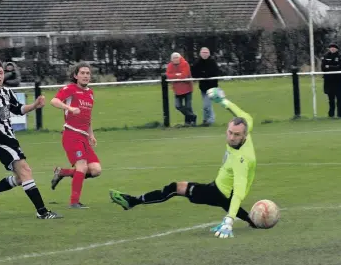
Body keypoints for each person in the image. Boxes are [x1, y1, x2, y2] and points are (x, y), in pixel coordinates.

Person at [110, 88, 257, 238]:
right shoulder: (247, 125)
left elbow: (238, 192)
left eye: (236, 135)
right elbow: (241, 114)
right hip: (220, 188)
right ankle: (254, 221)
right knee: (228, 204)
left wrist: (229, 220)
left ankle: (133, 201)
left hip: (219, 193)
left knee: (175, 188)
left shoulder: (242, 160)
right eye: (230, 132)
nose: (232, 137)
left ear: (245, 135)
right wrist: (222, 101)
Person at [0, 59, 62, 219]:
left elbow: (18, 109)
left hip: (11, 139)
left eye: (0, 73)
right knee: (26, 171)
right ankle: (42, 212)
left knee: (21, 178)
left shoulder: (7, 92)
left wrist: (34, 105)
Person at [50, 62, 102, 209]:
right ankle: (74, 202)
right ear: (75, 75)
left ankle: (62, 172)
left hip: (84, 136)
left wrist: (91, 135)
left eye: (88, 73)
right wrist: (69, 108)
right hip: (71, 135)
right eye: (82, 73)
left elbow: (87, 117)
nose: (86, 76)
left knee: (96, 170)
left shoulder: (90, 93)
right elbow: (54, 101)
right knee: (82, 166)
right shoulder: (70, 89)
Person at [166, 52, 197, 126]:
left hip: (187, 88)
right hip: (177, 90)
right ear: (171, 59)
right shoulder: (170, 65)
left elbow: (184, 75)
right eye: (174, 58)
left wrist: (176, 76)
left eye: (177, 57)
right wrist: (178, 75)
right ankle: (193, 116)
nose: (176, 59)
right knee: (178, 106)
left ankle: (189, 122)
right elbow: (168, 75)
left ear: (180, 58)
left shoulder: (185, 63)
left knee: (188, 107)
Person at [191, 47, 220, 126]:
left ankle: (211, 120)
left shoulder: (212, 62)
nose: (205, 54)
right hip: (203, 88)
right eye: (203, 52)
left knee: (206, 105)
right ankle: (205, 120)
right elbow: (194, 73)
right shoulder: (198, 63)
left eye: (206, 52)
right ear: (200, 53)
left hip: (212, 88)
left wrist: (204, 73)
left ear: (209, 53)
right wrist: (203, 74)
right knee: (206, 105)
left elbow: (214, 73)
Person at [321, 43, 341, 118]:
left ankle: (339, 114)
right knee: (330, 98)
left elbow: (340, 67)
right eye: (331, 48)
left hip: (338, 80)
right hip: (328, 80)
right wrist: (333, 66)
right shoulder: (325, 56)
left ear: (337, 49)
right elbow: (323, 68)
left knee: (339, 98)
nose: (332, 49)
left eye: (334, 48)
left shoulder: (340, 56)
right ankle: (331, 114)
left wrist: (329, 66)